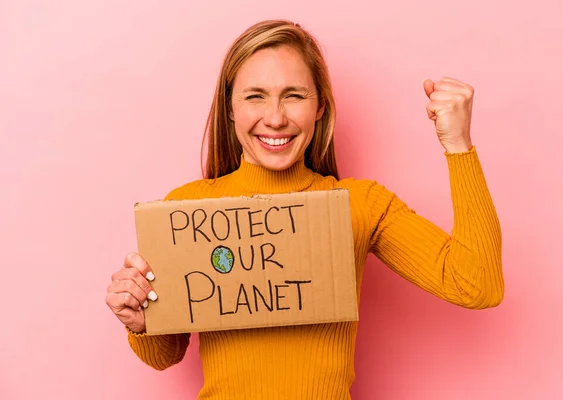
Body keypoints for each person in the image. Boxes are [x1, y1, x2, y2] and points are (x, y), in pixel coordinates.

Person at [105, 19, 504, 399]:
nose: (275, 118)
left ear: (319, 107)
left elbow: (477, 284)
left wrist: (458, 146)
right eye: (254, 96)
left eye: (293, 96)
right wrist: (141, 322)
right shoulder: (188, 210)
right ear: (230, 109)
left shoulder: (360, 205)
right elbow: (165, 355)